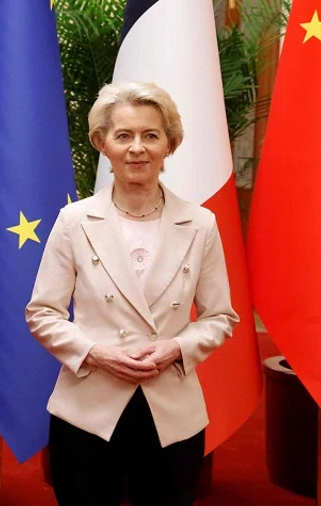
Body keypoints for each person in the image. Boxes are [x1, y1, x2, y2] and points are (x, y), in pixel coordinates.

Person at [26, 81, 239, 506]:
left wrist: (176, 348)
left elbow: (221, 318)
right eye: (124, 135)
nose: (137, 148)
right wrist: (97, 354)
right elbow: (43, 313)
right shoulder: (74, 221)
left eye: (150, 135)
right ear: (102, 143)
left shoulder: (201, 225)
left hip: (171, 411)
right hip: (88, 408)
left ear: (170, 145)